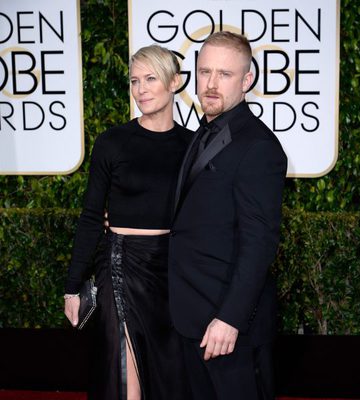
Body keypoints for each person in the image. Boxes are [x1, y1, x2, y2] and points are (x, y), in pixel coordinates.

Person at [64, 45, 192, 400]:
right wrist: (72, 286)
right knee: (126, 374)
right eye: (135, 81)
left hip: (170, 270)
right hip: (120, 266)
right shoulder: (112, 142)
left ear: (174, 83)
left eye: (151, 79)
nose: (141, 89)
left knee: (170, 372)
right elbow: (91, 216)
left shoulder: (192, 145)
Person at [168, 31, 288, 399]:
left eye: (225, 74)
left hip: (228, 327)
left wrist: (230, 318)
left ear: (247, 80)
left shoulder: (259, 146)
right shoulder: (200, 133)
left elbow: (260, 241)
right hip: (191, 315)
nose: (212, 84)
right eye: (205, 72)